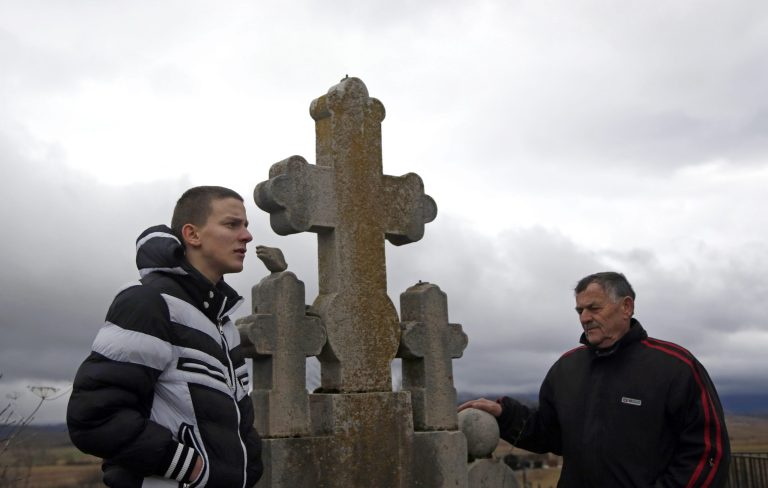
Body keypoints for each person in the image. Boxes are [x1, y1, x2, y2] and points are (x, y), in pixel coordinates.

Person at [67, 186, 268, 488]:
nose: (246, 236)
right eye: (232, 224)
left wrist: (249, 470)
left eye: (246, 226)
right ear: (193, 234)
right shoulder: (149, 303)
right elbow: (94, 417)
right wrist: (192, 468)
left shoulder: (223, 324)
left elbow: (240, 421)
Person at [459, 271, 730, 487]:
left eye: (594, 308)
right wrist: (504, 414)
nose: (585, 318)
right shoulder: (566, 368)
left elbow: (708, 453)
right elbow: (548, 434)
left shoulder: (675, 366)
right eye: (579, 311)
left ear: (626, 307)